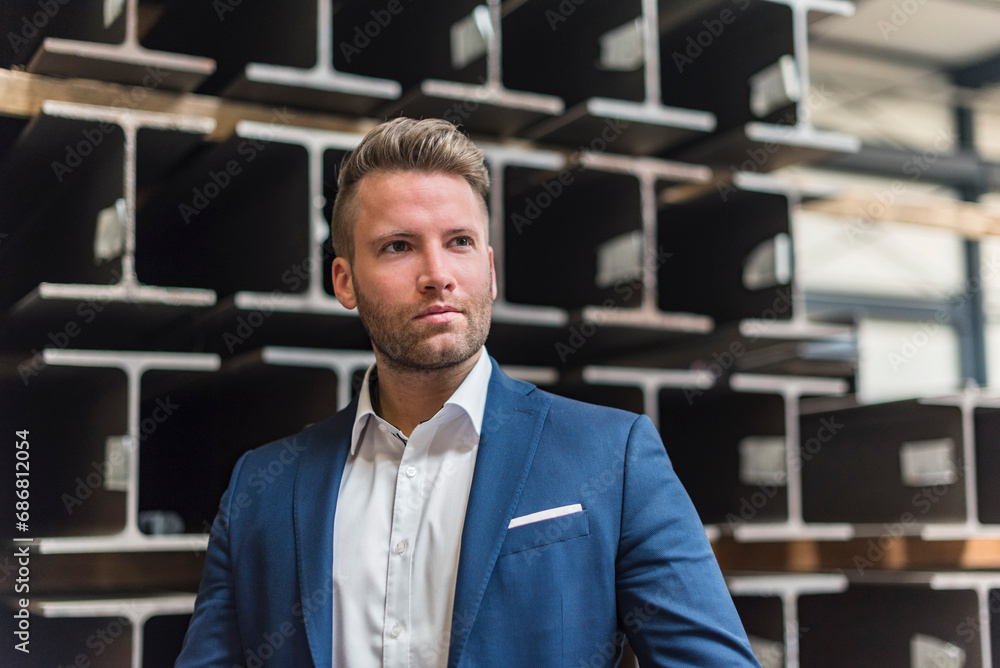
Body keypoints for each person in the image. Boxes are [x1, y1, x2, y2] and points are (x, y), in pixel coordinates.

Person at [175, 118, 761, 667]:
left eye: (458, 242)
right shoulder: (261, 488)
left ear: (489, 268)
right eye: (398, 246)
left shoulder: (614, 456)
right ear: (345, 280)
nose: (437, 274)